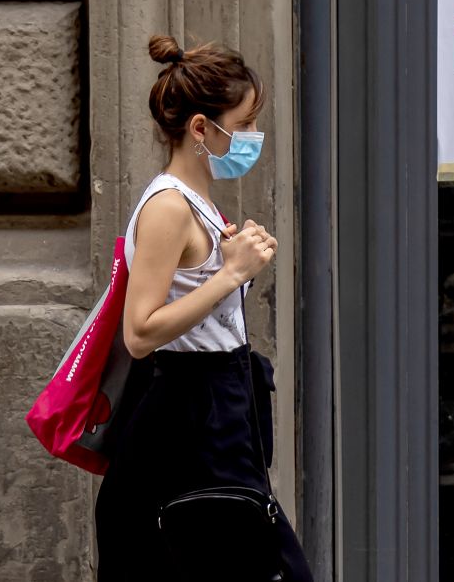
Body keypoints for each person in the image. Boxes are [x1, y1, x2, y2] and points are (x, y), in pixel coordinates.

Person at [94, 35, 311, 581]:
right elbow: (141, 332)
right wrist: (232, 274)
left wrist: (225, 268)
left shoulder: (197, 201)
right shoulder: (168, 207)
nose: (251, 138)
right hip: (194, 413)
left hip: (218, 404)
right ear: (199, 129)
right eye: (241, 126)